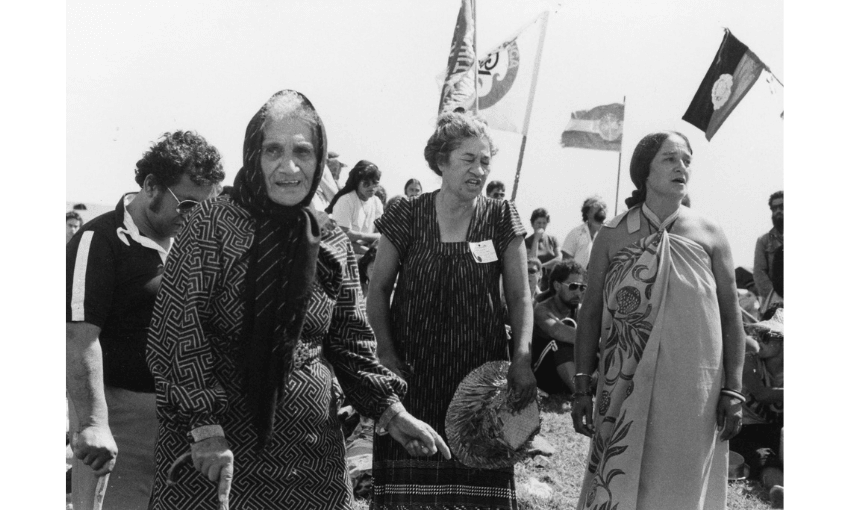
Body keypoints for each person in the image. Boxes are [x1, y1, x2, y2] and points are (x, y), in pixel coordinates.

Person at [145, 91, 448, 510]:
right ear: (253, 155)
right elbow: (177, 332)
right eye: (273, 150)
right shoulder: (212, 225)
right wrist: (204, 427)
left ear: (319, 159)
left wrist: (392, 412)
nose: (289, 166)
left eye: (302, 151)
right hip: (216, 453)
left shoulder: (331, 241)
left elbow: (351, 344)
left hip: (309, 457)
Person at [367, 109, 536, 509]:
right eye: (468, 159)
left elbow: (520, 297)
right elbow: (378, 290)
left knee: (479, 475)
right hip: (412, 373)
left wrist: (522, 358)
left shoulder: (500, 217)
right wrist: (387, 355)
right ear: (441, 161)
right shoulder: (406, 214)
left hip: (478, 380)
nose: (478, 170)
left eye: (485, 162)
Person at [571, 131, 746, 509]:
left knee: (679, 484)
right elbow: (589, 314)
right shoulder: (613, 234)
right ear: (644, 171)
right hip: (625, 381)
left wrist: (733, 389)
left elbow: (732, 317)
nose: (681, 166)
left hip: (693, 387)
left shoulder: (711, 234)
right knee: (619, 477)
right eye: (670, 158)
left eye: (686, 159)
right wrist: (582, 385)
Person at [67, 130, 224, 510]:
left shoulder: (194, 245)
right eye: (187, 205)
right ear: (151, 185)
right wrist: (93, 423)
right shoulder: (100, 239)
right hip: (122, 421)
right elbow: (78, 336)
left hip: (186, 426)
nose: (194, 218)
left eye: (205, 210)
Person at [732, 306, 784, 502]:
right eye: (758, 334)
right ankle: (778, 489)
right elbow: (762, 394)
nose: (757, 339)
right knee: (765, 458)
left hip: (775, 430)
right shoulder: (749, 361)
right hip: (747, 430)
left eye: (766, 335)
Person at [529, 260, 586, 395]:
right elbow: (558, 331)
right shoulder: (542, 309)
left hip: (567, 373)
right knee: (559, 342)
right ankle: (581, 394)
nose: (578, 292)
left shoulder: (580, 309)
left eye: (582, 287)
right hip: (545, 376)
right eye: (573, 286)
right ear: (557, 285)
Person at [326, 159, 384, 256]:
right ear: (357, 182)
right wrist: (369, 253)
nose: (371, 187)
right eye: (366, 183)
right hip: (345, 257)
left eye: (375, 183)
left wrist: (358, 236)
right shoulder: (346, 200)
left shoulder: (377, 202)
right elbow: (342, 239)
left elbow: (382, 235)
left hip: (367, 255)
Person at [753, 190, 783, 314]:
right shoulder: (764, 241)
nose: (778, 211)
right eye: (774, 208)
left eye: (782, 207)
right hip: (775, 306)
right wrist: (777, 299)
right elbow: (759, 273)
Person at [561, 196, 608, 269]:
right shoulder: (575, 234)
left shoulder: (610, 234)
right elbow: (565, 265)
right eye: (597, 205)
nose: (601, 207)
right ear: (587, 212)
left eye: (604, 205)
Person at [525, 207, 562, 291]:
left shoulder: (552, 239)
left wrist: (541, 266)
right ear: (532, 224)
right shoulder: (526, 242)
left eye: (544, 223)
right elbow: (532, 260)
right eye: (538, 223)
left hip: (552, 280)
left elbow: (559, 259)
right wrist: (536, 240)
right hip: (536, 283)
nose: (541, 226)